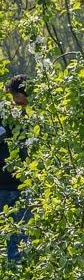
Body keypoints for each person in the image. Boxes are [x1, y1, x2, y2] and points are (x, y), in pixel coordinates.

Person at [0, 75, 30, 262]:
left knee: (19, 240)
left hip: (21, 186)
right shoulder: (3, 115)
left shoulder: (34, 117)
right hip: (3, 186)